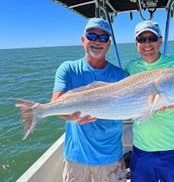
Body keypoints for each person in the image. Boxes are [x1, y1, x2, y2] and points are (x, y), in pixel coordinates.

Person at [125, 20, 174, 182]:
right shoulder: (130, 68)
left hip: (173, 149)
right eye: (142, 39)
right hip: (141, 150)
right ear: (136, 43)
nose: (147, 43)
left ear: (160, 40)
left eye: (152, 38)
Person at [51, 18, 128, 182]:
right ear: (83, 40)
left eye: (103, 38)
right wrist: (69, 116)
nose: (97, 42)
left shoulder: (120, 76)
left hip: (111, 158)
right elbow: (55, 103)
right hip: (76, 158)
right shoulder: (68, 69)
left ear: (108, 44)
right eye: (92, 36)